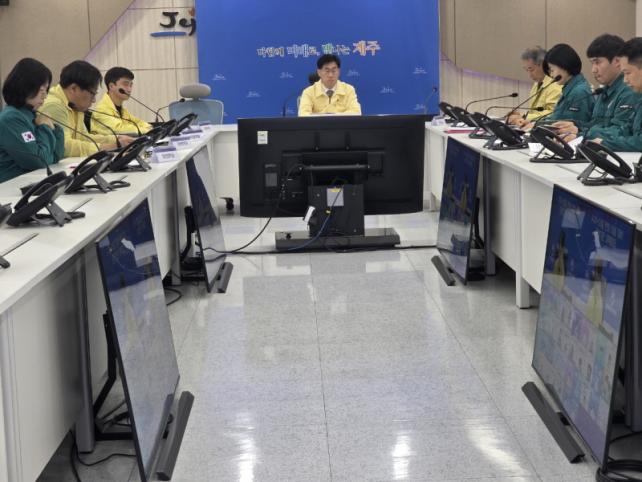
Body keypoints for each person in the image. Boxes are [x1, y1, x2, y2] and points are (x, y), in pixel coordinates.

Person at [552, 34, 639, 141]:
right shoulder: (603, 90)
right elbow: (595, 125)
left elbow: (620, 132)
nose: (593, 70)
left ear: (617, 61)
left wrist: (581, 134)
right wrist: (576, 127)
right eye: (592, 63)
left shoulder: (629, 90)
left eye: (597, 62)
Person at [40, 60, 134, 157]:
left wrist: (116, 139)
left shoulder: (75, 105)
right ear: (73, 88)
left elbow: (83, 137)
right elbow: (65, 147)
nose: (93, 100)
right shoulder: (54, 106)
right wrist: (110, 146)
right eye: (92, 94)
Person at [0, 58, 65, 183]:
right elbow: (39, 161)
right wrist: (45, 128)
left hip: (31, 183)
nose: (45, 95)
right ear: (25, 86)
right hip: (10, 188)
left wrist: (55, 129)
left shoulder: (32, 114)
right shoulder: (11, 119)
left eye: (46, 89)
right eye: (41, 89)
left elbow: (57, 156)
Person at [591, 37, 642, 151]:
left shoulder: (631, 94)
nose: (625, 80)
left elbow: (639, 142)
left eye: (627, 73)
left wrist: (605, 143)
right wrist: (589, 136)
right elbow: (625, 130)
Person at [537, 44, 594, 126]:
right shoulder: (570, 88)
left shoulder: (579, 92)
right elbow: (556, 118)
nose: (551, 75)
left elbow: (569, 126)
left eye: (552, 70)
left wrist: (535, 125)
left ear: (564, 65)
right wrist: (534, 123)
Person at [507, 46, 562, 127]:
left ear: (543, 65)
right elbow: (535, 112)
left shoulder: (555, 85)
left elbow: (552, 114)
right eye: (526, 70)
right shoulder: (537, 83)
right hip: (533, 126)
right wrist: (520, 116)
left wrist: (524, 116)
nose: (529, 74)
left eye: (531, 69)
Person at [90, 67, 152, 136]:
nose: (129, 89)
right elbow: (119, 129)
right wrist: (148, 131)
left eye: (131, 85)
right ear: (111, 86)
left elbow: (138, 122)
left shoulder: (122, 110)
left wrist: (149, 127)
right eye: (125, 84)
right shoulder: (101, 109)